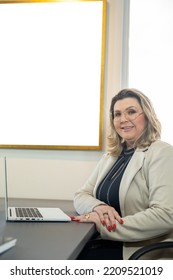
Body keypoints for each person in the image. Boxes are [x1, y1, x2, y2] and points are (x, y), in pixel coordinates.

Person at [71, 88, 173, 260]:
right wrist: (98, 207)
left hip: (135, 251)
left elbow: (165, 214)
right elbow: (81, 195)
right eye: (117, 114)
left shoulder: (161, 153)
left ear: (147, 116)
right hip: (103, 242)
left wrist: (103, 226)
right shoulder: (111, 156)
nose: (123, 119)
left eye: (131, 112)